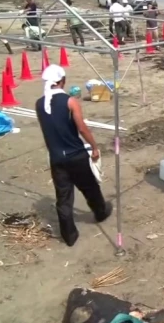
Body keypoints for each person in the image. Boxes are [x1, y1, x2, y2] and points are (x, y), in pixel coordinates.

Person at [35, 64, 112, 246]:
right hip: (75, 154)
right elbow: (82, 129)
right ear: (62, 81)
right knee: (90, 187)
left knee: (63, 197)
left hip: (56, 157)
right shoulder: (70, 101)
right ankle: (100, 212)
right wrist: (94, 146)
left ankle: (69, 235)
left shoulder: (39, 104)